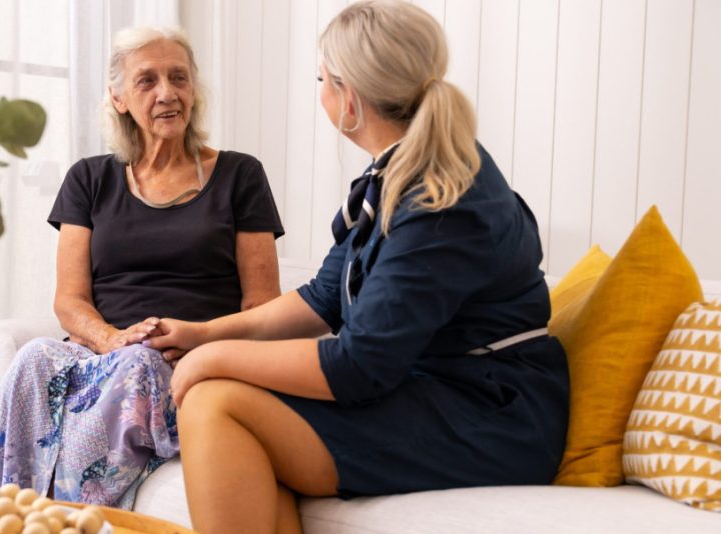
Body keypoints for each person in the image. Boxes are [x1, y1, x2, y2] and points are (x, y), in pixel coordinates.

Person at [143, 1, 570, 532]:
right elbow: (323, 296)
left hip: (492, 413)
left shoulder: (441, 199)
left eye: (321, 79)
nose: (318, 90)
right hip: (434, 386)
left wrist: (215, 358)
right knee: (219, 402)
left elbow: (359, 366)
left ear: (349, 97)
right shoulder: (397, 175)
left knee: (214, 403)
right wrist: (206, 335)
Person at [0, 26, 285, 509]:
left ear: (194, 89)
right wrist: (110, 339)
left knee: (139, 364)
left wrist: (195, 340)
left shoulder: (240, 175)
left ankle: (73, 518)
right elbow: (70, 300)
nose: (168, 93)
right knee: (35, 356)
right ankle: (0, 513)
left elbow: (263, 308)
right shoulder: (90, 178)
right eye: (147, 81)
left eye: (178, 78)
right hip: (102, 354)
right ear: (118, 98)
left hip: (185, 361)